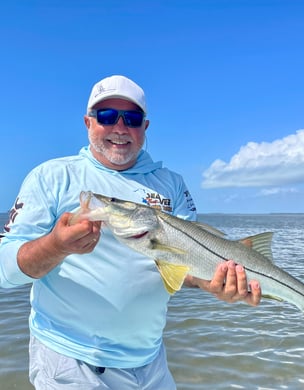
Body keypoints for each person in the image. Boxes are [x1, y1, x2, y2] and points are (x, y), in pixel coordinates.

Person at [0, 75, 261, 389]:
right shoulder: (52, 177)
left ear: (145, 127)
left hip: (150, 362)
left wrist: (215, 285)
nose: (120, 128)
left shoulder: (171, 183)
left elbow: (185, 268)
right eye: (107, 117)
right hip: (72, 361)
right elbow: (4, 271)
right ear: (88, 123)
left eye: (132, 118)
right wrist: (56, 246)